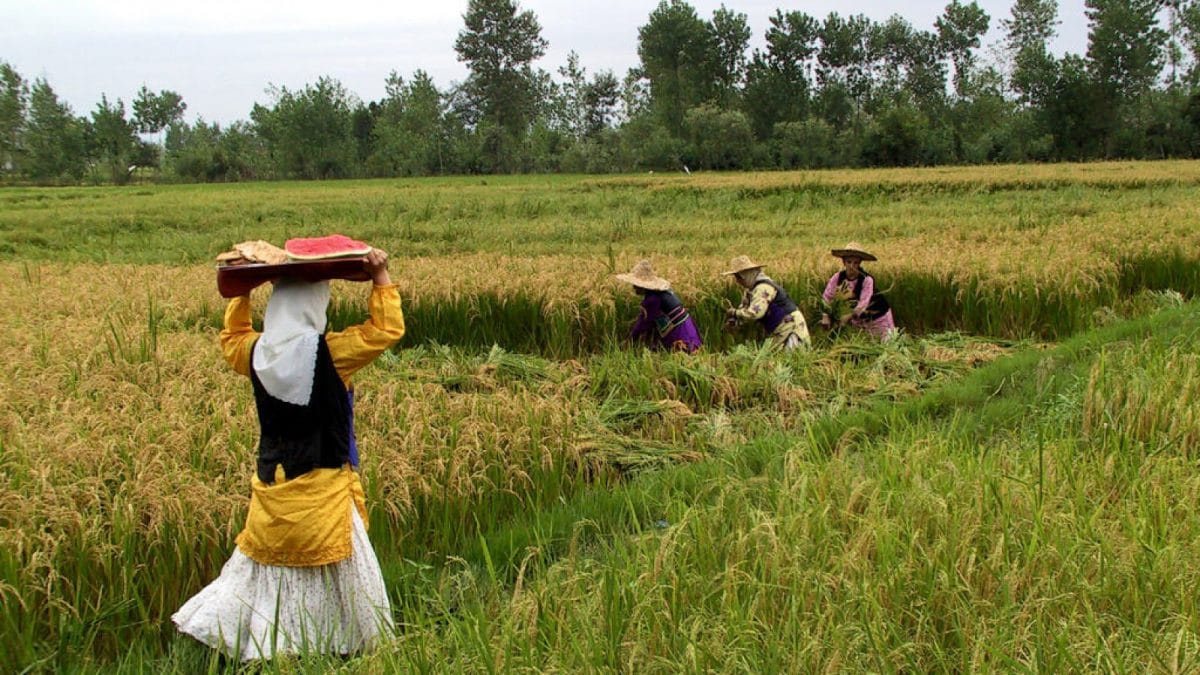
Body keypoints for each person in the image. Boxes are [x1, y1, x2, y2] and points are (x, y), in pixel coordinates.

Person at [173, 248, 405, 661]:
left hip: (273, 485)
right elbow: (385, 330)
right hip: (325, 491)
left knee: (272, 573)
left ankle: (273, 645)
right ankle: (335, 646)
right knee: (339, 577)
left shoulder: (255, 353)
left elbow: (231, 339)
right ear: (316, 307)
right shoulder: (332, 354)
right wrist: (380, 276)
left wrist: (241, 293)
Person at [722, 255, 811, 350]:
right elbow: (744, 309)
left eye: (739, 277)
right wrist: (735, 321)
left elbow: (755, 313)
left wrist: (734, 313)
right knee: (776, 358)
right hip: (779, 329)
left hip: (790, 326)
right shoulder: (750, 291)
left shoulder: (763, 288)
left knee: (791, 358)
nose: (738, 281)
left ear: (747, 275)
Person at [616, 259, 702, 353]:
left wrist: (630, 340)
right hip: (686, 326)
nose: (634, 287)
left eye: (636, 285)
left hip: (680, 331)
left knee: (683, 355)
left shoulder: (652, 299)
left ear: (643, 286)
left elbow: (644, 323)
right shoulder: (661, 293)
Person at [820, 242, 896, 341]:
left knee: (885, 345)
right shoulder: (837, 277)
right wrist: (825, 316)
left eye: (855, 263)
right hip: (859, 322)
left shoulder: (866, 280)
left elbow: (862, 304)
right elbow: (826, 297)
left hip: (878, 318)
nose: (852, 266)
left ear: (859, 264)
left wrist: (848, 317)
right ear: (844, 262)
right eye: (849, 262)